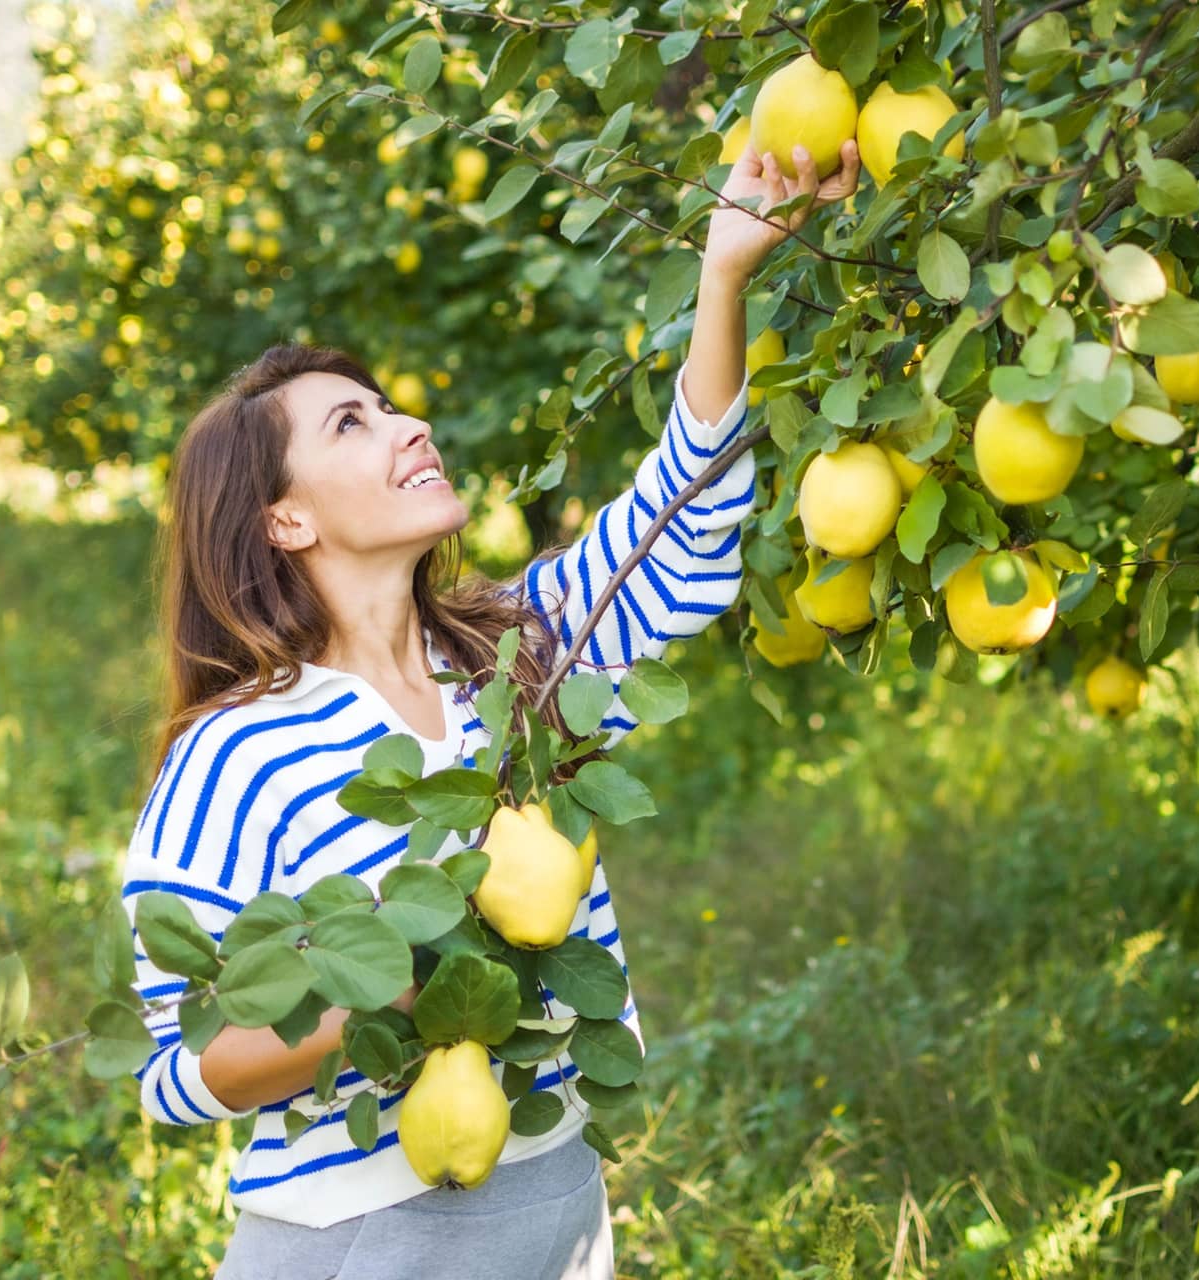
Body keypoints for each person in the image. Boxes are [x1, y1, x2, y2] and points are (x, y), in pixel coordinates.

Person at [115, 135, 862, 1280]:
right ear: (284, 521)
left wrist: (722, 278)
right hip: (362, 1231)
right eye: (350, 425)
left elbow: (682, 520)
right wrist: (398, 984)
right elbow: (179, 1061)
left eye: (387, 404)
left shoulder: (516, 653)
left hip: (554, 1195)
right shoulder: (238, 749)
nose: (409, 422)